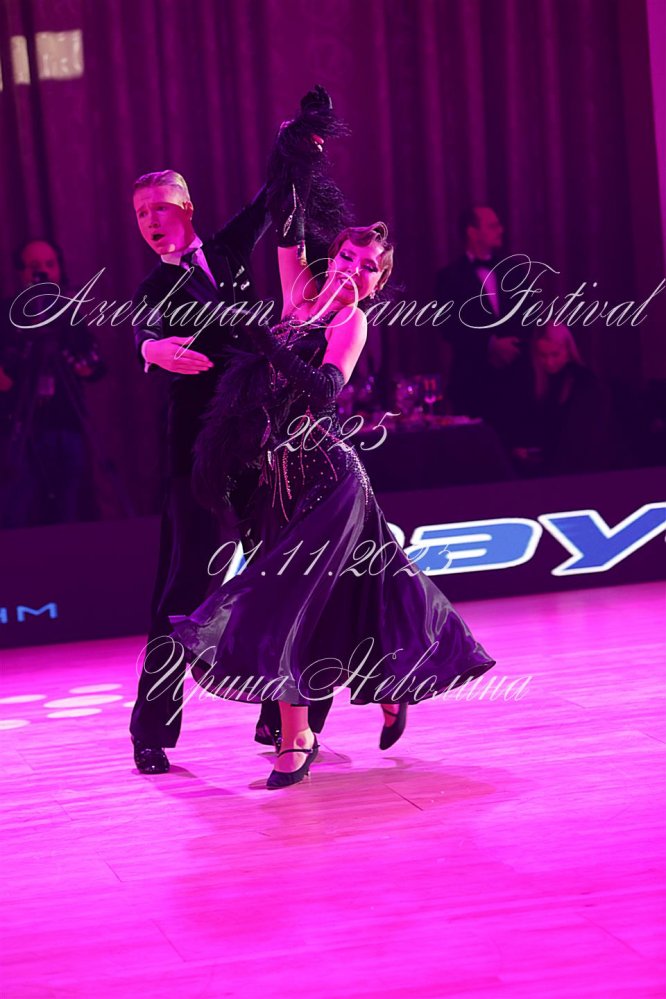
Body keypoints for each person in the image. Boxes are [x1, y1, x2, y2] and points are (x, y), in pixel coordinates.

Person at [167, 177, 496, 789]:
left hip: (328, 480)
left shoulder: (351, 321)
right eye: (347, 256)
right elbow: (287, 228)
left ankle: (298, 738)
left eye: (368, 267)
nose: (353, 270)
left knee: (284, 601)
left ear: (378, 282)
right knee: (366, 593)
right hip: (276, 484)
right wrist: (296, 156)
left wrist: (270, 344)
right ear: (333, 256)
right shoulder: (299, 294)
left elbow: (323, 390)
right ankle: (389, 688)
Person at [129, 86, 341, 775]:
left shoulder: (222, 253)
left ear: (187, 208)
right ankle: (151, 730)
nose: (151, 221)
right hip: (196, 457)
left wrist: (299, 141)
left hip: (258, 441)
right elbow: (143, 327)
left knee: (285, 572)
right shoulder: (153, 289)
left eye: (161, 207)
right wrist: (151, 348)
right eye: (141, 213)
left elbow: (270, 197)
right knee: (182, 590)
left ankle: (287, 718)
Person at [0, 238, 105, 528]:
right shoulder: (6, 314)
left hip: (65, 424)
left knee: (65, 508)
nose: (43, 272)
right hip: (17, 428)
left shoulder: (68, 313)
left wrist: (85, 366)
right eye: (34, 266)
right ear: (21, 271)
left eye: (50, 265)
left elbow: (94, 364)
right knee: (15, 506)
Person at [434, 205, 525, 421]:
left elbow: (530, 315)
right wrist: (490, 344)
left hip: (516, 381)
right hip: (472, 381)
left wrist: (513, 344)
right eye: (493, 226)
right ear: (472, 232)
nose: (501, 230)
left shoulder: (514, 271)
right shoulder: (449, 277)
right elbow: (448, 328)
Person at [506, 322, 611, 475]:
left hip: (580, 467)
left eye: (555, 354)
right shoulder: (537, 381)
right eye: (543, 355)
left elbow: (580, 436)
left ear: (568, 351)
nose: (549, 362)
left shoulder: (583, 382)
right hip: (554, 464)